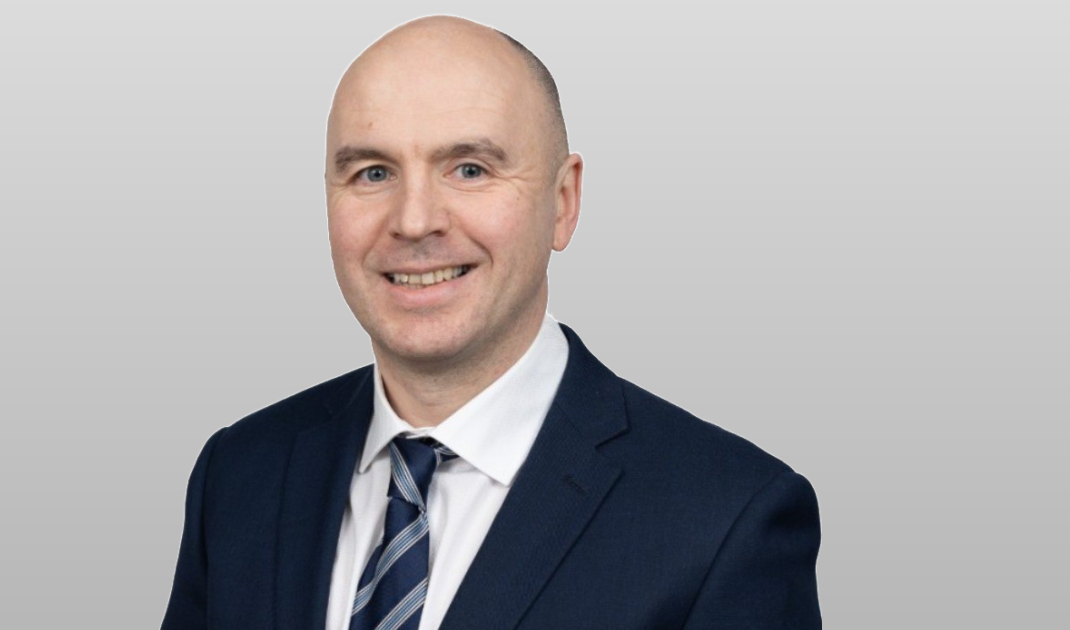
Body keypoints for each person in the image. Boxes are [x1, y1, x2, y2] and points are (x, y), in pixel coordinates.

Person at [161, 15, 821, 630]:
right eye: (373, 172)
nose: (414, 220)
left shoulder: (728, 520)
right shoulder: (239, 475)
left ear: (563, 202)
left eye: (469, 169)